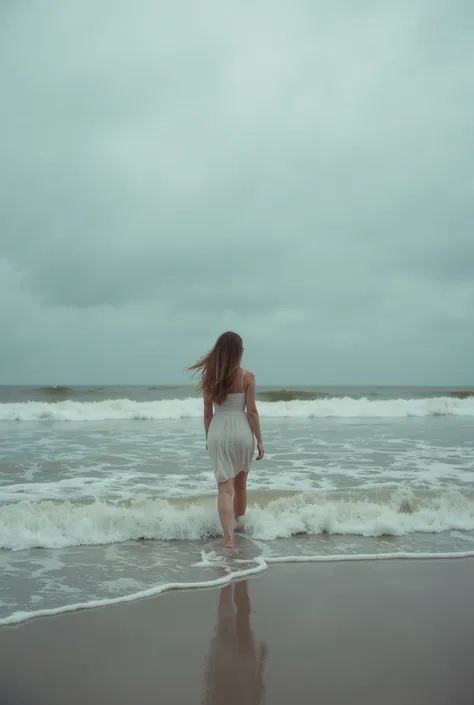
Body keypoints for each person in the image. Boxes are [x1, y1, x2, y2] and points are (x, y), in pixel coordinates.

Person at [188, 331, 264, 549]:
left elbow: (206, 413)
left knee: (224, 489)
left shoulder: (209, 378)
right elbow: (252, 413)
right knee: (240, 487)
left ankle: (228, 538)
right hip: (242, 432)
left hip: (218, 432)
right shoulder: (247, 377)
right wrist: (259, 440)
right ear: (239, 352)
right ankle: (239, 528)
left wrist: (208, 437)